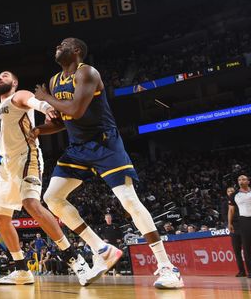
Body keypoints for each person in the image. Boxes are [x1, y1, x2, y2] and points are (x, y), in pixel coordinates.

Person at [33, 38, 183, 289]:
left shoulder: (88, 73)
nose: (58, 45)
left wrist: (46, 98)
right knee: (52, 198)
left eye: (64, 43)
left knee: (128, 200)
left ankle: (167, 266)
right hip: (78, 147)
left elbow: (77, 110)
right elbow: (62, 121)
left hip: (105, 144)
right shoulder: (54, 81)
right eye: (57, 44)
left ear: (77, 50)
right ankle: (101, 249)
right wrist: (38, 130)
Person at [0, 70, 92, 285]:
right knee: (0, 218)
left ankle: (76, 260)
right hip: (6, 165)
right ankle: (21, 269)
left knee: (31, 204)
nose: (0, 78)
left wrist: (48, 108)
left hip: (27, 157)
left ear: (15, 83)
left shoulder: (18, 96)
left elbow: (36, 102)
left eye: (5, 76)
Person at [229, 174, 251, 279]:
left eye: (243, 179)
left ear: (248, 181)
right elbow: (231, 210)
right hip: (244, 220)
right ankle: (250, 271)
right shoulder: (234, 195)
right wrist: (229, 223)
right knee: (247, 247)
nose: (241, 181)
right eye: (239, 180)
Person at [226, 186, 245, 276]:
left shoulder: (240, 202)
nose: (230, 192)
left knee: (247, 250)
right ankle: (241, 271)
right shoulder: (224, 204)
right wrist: (230, 224)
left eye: (232, 191)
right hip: (233, 228)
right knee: (237, 251)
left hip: (243, 226)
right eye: (228, 191)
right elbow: (224, 215)